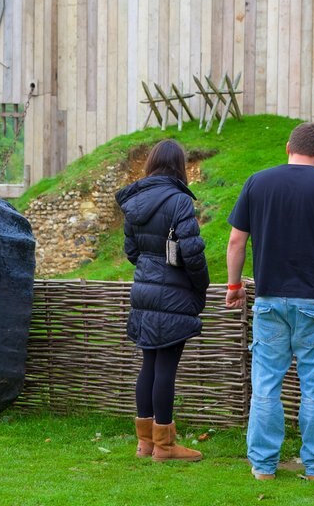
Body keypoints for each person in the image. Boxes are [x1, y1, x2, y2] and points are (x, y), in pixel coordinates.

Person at [225, 122, 314, 481]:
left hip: (270, 299)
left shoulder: (258, 182)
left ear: (287, 147)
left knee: (266, 383)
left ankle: (263, 465)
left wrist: (233, 285)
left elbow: (235, 242)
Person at [116, 138, 210, 462]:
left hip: (144, 290)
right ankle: (165, 446)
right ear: (179, 166)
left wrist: (150, 267)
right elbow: (193, 254)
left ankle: (145, 443)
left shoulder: (135, 201)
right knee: (165, 366)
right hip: (173, 294)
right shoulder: (179, 201)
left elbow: (131, 251)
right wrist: (201, 288)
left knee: (150, 364)